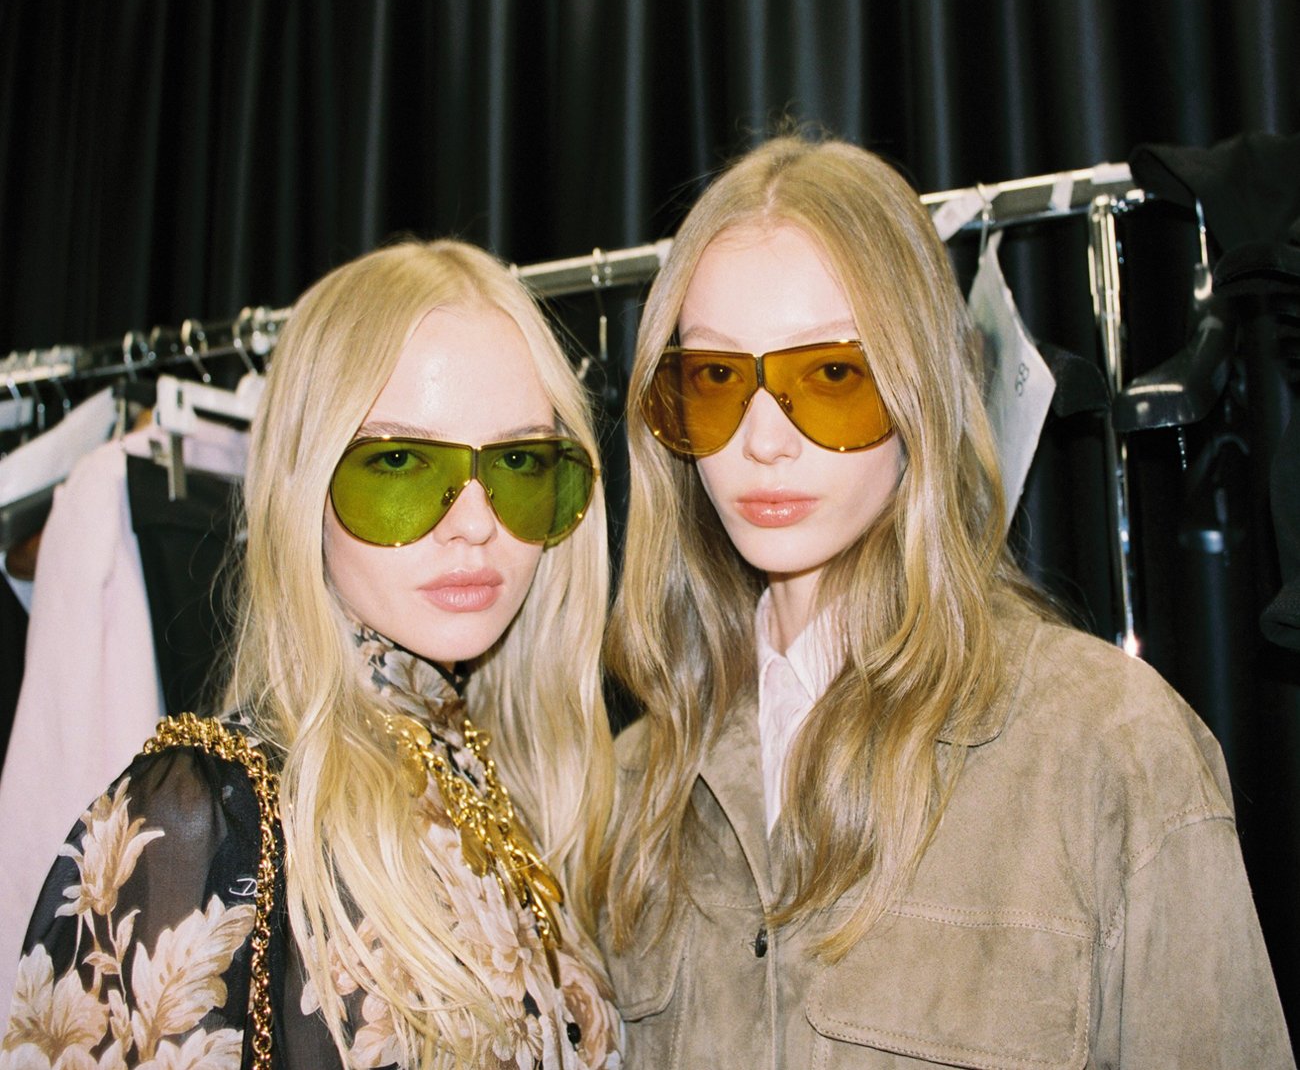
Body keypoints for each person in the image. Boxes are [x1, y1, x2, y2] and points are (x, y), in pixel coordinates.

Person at [598, 135, 1293, 1067]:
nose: (763, 441)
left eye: (831, 375)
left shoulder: (1108, 750)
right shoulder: (632, 791)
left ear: (922, 388)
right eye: (716, 378)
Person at [2, 240, 622, 1069]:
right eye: (398, 463)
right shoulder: (198, 821)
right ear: (304, 487)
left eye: (519, 463)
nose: (476, 524)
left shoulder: (526, 790)